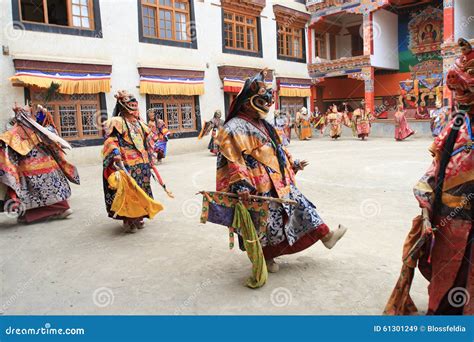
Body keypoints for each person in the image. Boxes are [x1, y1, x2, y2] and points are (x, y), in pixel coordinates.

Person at [216, 69, 348, 274]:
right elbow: (232, 158)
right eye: (262, 100)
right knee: (267, 224)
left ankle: (326, 236)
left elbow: (277, 150)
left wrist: (291, 165)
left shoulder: (265, 125)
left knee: (302, 207)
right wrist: (240, 184)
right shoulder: (232, 127)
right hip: (255, 186)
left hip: (279, 180)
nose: (267, 104)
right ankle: (267, 258)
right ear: (248, 101)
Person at [385, 38, 473, 315]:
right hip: (451, 220)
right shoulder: (457, 125)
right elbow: (436, 169)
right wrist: (425, 205)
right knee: (447, 287)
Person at [0, 103, 79, 223]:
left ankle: (49, 212)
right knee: (47, 191)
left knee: (31, 193)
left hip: (29, 170)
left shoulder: (17, 133)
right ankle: (58, 210)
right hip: (47, 168)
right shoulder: (40, 131)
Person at [102, 90, 163, 233]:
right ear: (123, 106)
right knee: (129, 192)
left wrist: (150, 157)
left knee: (142, 190)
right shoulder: (117, 122)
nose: (134, 107)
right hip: (126, 163)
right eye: (131, 104)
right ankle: (128, 220)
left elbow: (146, 141)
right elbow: (110, 140)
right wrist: (115, 152)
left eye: (135, 104)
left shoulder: (140, 123)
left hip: (142, 163)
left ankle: (139, 217)